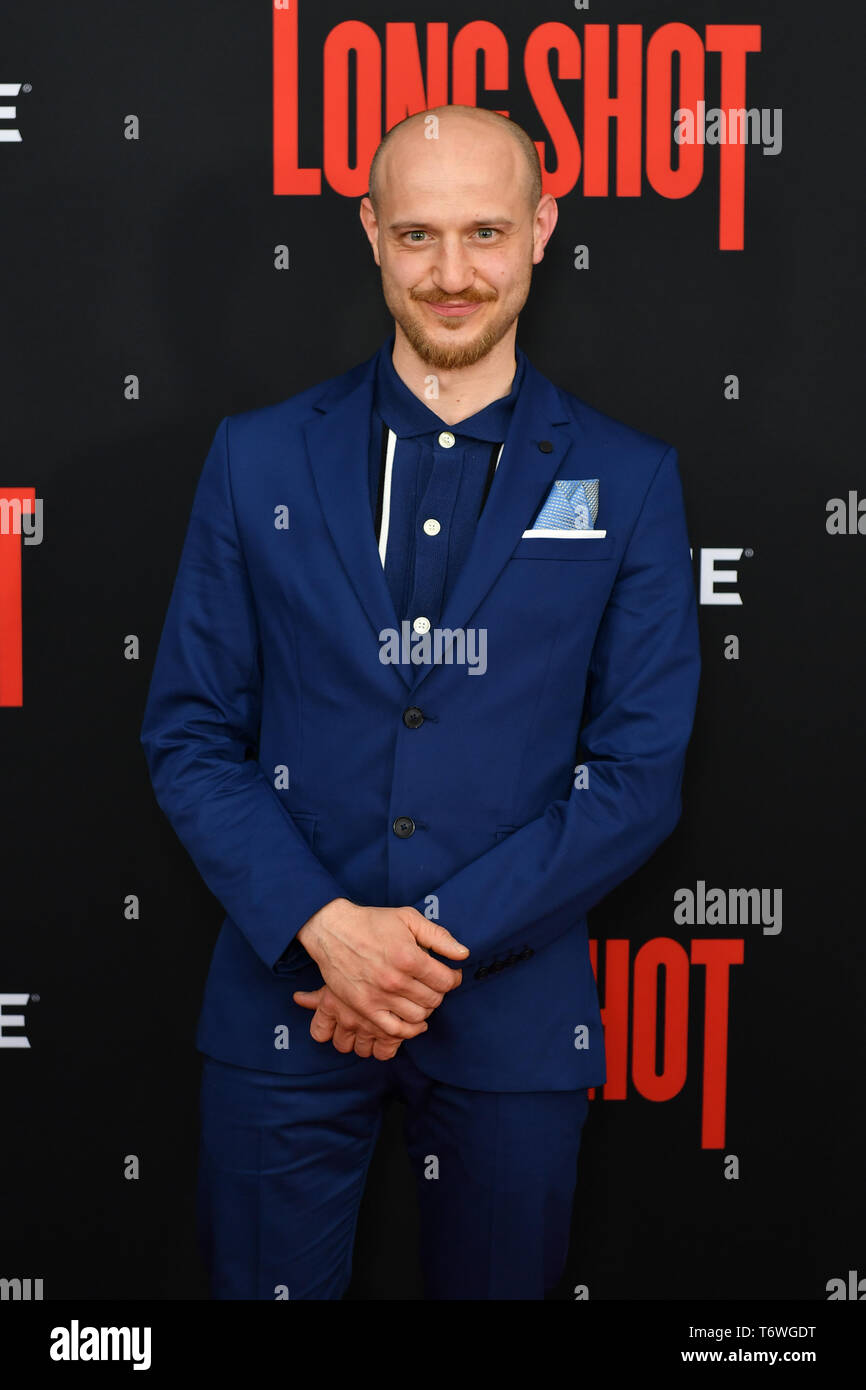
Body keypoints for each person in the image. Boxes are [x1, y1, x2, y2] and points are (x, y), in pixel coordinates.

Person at [140, 104, 701, 1300]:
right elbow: (190, 733)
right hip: (282, 1008)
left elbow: (636, 774)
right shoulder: (257, 458)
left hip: (510, 1024)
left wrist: (409, 956)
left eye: (486, 231)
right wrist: (329, 933)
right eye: (418, 235)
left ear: (543, 229)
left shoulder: (631, 480)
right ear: (370, 235)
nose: (453, 275)